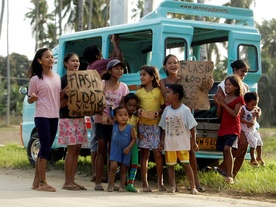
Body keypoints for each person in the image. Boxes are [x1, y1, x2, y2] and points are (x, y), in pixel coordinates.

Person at [160, 54, 207, 192]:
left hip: (184, 115)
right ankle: (175, 185)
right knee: (172, 161)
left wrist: (206, 82)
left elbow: (199, 90)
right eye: (170, 63)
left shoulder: (186, 79)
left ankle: (195, 184)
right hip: (170, 115)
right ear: (165, 66)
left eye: (176, 62)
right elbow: (165, 95)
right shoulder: (163, 81)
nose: (173, 65)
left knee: (190, 152)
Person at [83, 34, 123, 183]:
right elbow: (118, 57)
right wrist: (115, 43)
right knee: (105, 145)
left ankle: (96, 173)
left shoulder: (90, 67)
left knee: (95, 142)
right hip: (104, 113)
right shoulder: (100, 64)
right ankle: (103, 174)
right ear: (97, 54)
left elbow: (112, 60)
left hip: (95, 110)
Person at [215, 59, 261, 178]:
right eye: (242, 71)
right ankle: (225, 168)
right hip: (232, 122)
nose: (244, 74)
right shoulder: (224, 85)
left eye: (246, 72)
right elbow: (219, 101)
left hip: (244, 123)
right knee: (242, 145)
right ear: (235, 70)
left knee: (243, 149)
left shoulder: (245, 87)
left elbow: (250, 104)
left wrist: (257, 110)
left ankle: (231, 174)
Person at [27, 48, 61, 192]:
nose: (50, 59)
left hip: (54, 116)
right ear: (40, 60)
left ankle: (36, 181)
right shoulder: (35, 79)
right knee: (46, 148)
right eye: (47, 57)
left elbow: (58, 97)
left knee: (46, 147)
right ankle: (43, 182)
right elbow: (30, 99)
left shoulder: (58, 77)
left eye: (52, 57)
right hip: (42, 116)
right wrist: (32, 98)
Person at [94, 59, 129, 191]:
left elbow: (123, 106)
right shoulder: (101, 83)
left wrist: (115, 119)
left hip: (115, 123)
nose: (120, 70)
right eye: (117, 68)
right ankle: (98, 181)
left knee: (112, 152)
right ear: (109, 71)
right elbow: (94, 101)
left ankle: (111, 182)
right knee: (101, 149)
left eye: (121, 68)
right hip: (101, 121)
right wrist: (102, 114)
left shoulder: (124, 87)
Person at [158, 83, 199, 194]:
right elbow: (163, 127)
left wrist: (194, 142)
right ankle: (172, 186)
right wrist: (162, 140)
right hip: (169, 143)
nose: (166, 94)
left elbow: (192, 127)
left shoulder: (185, 110)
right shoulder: (167, 110)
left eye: (168, 92)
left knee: (186, 164)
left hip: (182, 144)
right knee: (170, 165)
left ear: (176, 95)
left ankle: (192, 186)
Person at [58, 53, 88, 190]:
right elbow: (57, 103)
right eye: (73, 61)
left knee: (77, 149)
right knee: (71, 150)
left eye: (77, 61)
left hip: (80, 118)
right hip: (67, 119)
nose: (76, 63)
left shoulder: (83, 80)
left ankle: (72, 180)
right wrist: (65, 94)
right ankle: (67, 182)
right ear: (65, 63)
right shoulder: (62, 80)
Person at [136, 65, 166, 192]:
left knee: (158, 154)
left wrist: (158, 113)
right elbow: (134, 108)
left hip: (155, 126)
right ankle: (144, 183)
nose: (142, 77)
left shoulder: (158, 92)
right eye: (141, 75)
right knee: (144, 155)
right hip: (142, 126)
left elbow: (164, 108)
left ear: (152, 77)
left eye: (144, 75)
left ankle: (160, 182)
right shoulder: (139, 92)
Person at [214, 75, 244, 184]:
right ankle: (227, 173)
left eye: (229, 84)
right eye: (225, 84)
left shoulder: (239, 99)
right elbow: (219, 115)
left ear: (236, 86)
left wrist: (224, 104)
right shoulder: (224, 98)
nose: (226, 86)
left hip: (233, 128)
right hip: (224, 127)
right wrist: (219, 105)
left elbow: (235, 114)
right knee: (224, 151)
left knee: (227, 149)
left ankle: (230, 175)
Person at [107, 106, 136, 192]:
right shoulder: (114, 125)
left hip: (126, 150)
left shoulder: (130, 127)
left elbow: (134, 139)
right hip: (115, 149)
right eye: (120, 115)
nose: (123, 117)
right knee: (113, 166)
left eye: (125, 115)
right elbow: (108, 117)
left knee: (124, 169)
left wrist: (129, 147)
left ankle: (122, 186)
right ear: (115, 117)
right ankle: (110, 185)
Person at [240, 92, 265, 168]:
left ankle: (259, 157)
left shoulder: (255, 108)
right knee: (253, 142)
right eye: (252, 105)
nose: (254, 106)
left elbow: (259, 110)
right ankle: (252, 159)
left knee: (259, 142)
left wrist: (258, 114)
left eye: (256, 104)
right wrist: (247, 122)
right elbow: (239, 118)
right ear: (246, 102)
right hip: (246, 130)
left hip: (253, 129)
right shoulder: (243, 109)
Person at [124, 93, 140, 192]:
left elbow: (137, 127)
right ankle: (125, 182)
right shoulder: (122, 115)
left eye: (134, 106)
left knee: (134, 163)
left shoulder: (136, 117)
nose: (132, 107)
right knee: (124, 163)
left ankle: (131, 183)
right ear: (125, 104)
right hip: (124, 142)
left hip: (133, 142)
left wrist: (140, 134)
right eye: (130, 105)